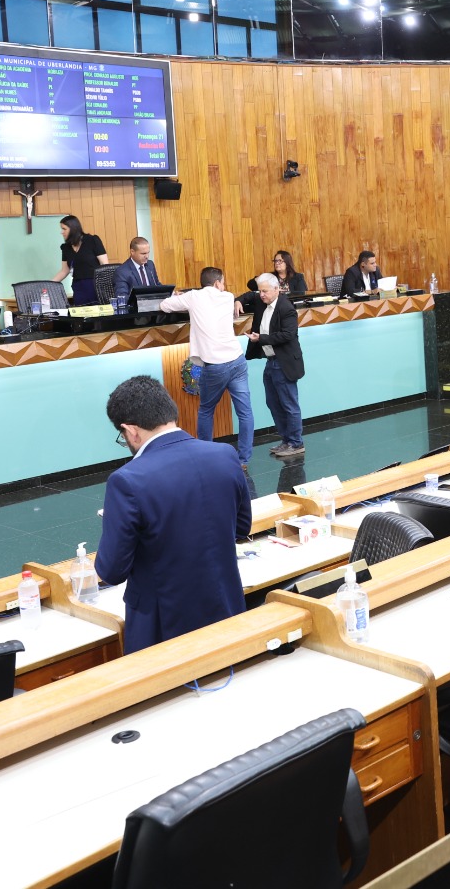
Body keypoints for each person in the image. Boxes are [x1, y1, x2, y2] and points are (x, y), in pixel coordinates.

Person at [95, 376, 248, 654]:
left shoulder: (127, 480)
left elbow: (111, 571)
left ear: (130, 430)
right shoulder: (225, 454)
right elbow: (241, 527)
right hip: (226, 607)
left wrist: (113, 521)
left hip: (163, 625)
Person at [159, 266, 254, 469]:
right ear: (217, 283)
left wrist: (179, 297)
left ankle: (206, 458)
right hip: (237, 360)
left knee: (206, 410)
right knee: (245, 412)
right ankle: (243, 459)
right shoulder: (228, 297)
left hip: (215, 365)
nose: (225, 286)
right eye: (223, 282)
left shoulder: (194, 297)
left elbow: (164, 305)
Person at [239, 273, 305, 460]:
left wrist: (261, 338)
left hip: (284, 362)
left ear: (277, 289)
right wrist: (238, 301)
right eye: (260, 291)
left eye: (265, 291)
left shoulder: (286, 308)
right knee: (273, 402)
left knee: (289, 404)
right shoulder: (262, 301)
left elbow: (288, 334)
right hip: (271, 361)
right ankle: (286, 440)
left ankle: (296, 443)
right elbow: (249, 295)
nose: (261, 295)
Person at [52, 215, 110, 305]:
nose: (62, 232)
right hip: (78, 286)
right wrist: (49, 284)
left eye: (64, 229)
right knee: (80, 311)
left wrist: (105, 285)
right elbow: (64, 270)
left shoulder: (92, 240)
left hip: (95, 285)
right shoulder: (66, 247)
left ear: (73, 228)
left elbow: (104, 264)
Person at [112, 237, 160, 302]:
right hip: (136, 306)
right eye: (143, 253)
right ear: (132, 252)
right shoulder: (122, 272)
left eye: (148, 253)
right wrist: (143, 300)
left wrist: (169, 293)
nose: (147, 256)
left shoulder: (150, 265)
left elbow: (156, 285)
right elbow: (122, 297)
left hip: (153, 304)